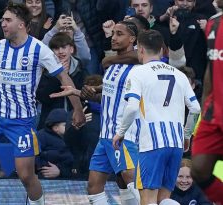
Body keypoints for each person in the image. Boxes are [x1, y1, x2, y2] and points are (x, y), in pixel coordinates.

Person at [0, 3, 85, 205]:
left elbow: (65, 79)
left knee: (25, 175)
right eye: (2, 20)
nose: (2, 24)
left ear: (21, 24)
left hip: (22, 121)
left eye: (7, 20)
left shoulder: (39, 50)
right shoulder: (0, 46)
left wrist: (77, 109)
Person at [50, 21, 141, 205]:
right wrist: (77, 92)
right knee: (93, 186)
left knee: (131, 181)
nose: (113, 38)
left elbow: (146, 56)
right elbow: (108, 97)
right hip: (105, 134)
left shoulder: (138, 66)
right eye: (113, 33)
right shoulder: (112, 65)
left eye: (120, 34)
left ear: (133, 39)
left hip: (123, 134)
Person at [112, 30, 201, 205]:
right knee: (164, 200)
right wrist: (186, 135)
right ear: (161, 50)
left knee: (147, 199)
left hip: (152, 143)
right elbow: (196, 108)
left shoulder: (138, 73)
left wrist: (120, 132)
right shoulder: (179, 74)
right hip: (175, 143)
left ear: (141, 50)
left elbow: (131, 108)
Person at [191, 1, 223, 203]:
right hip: (214, 113)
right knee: (199, 169)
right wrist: (205, 108)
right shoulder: (213, 23)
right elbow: (211, 69)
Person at [35, 108, 74, 179]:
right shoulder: (41, 136)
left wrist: (60, 171)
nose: (69, 127)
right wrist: (42, 168)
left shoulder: (71, 138)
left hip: (64, 176)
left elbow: (71, 161)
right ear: (56, 128)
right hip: (43, 175)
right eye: (65, 125)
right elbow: (35, 156)